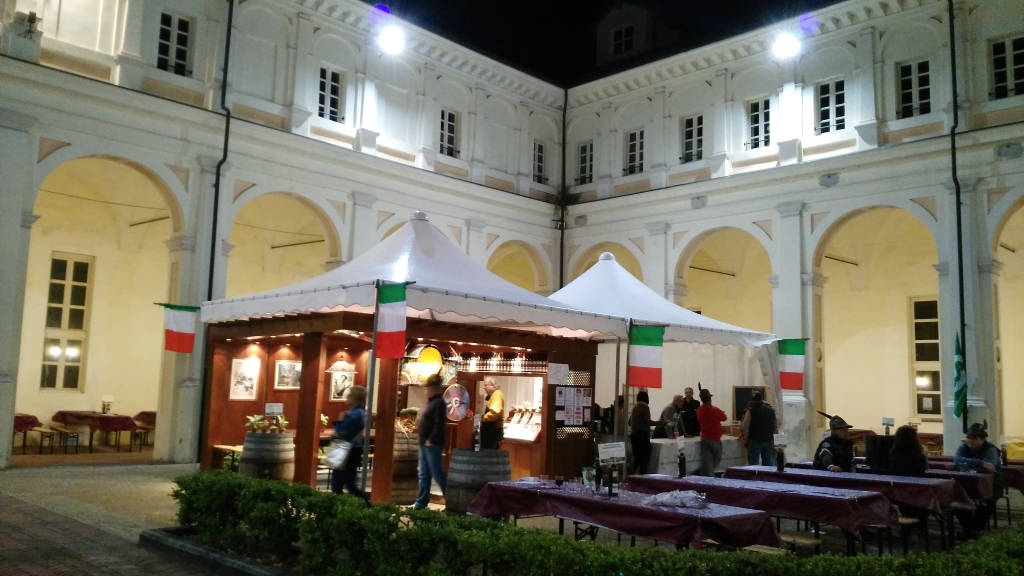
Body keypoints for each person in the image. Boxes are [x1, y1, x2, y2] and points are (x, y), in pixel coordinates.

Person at [953, 422, 1003, 538]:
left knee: (987, 500)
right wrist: (980, 463)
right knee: (958, 497)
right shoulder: (964, 447)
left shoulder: (991, 449)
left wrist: (968, 464)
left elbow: (990, 467)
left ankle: (976, 529)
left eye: (973, 439)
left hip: (992, 484)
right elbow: (957, 460)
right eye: (968, 438)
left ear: (982, 439)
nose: (969, 441)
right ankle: (969, 528)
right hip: (969, 484)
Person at [330, 385, 372, 506]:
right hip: (352, 450)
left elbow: (342, 432)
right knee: (347, 483)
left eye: (349, 396)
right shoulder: (359, 413)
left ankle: (366, 505)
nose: (346, 398)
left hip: (347, 450)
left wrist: (340, 420)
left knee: (339, 483)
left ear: (355, 398)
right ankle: (365, 505)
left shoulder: (354, 414)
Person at [413, 374, 447, 509]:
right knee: (423, 474)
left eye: (427, 388)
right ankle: (421, 502)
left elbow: (439, 424)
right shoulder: (432, 402)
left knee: (437, 473)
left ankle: (451, 500)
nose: (425, 391)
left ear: (433, 388)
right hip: (425, 443)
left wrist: (431, 439)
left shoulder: (438, 403)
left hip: (432, 444)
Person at [628, 391, 662, 474]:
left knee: (636, 459)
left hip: (634, 435)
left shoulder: (635, 407)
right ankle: (642, 478)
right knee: (644, 459)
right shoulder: (644, 406)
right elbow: (648, 422)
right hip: (642, 436)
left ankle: (630, 477)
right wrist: (661, 422)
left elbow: (629, 422)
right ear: (646, 398)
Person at [696, 388, 727, 476]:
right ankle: (707, 475)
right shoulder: (715, 409)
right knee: (716, 459)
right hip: (715, 439)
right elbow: (724, 418)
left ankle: (706, 475)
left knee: (708, 461)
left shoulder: (699, 410)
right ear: (710, 398)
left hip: (704, 438)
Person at [741, 390, 777, 466]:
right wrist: (775, 441)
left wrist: (746, 438)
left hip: (755, 439)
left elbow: (745, 426)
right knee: (768, 463)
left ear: (752, 401)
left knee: (753, 464)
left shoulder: (751, 410)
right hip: (768, 439)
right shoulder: (771, 410)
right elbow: (774, 427)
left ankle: (754, 478)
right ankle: (768, 477)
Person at [480, 377, 504, 449]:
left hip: (493, 431)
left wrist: (483, 418)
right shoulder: (494, 395)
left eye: (486, 385)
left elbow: (495, 412)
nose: (484, 388)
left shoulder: (497, 394)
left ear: (492, 385)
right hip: (491, 430)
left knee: (490, 453)